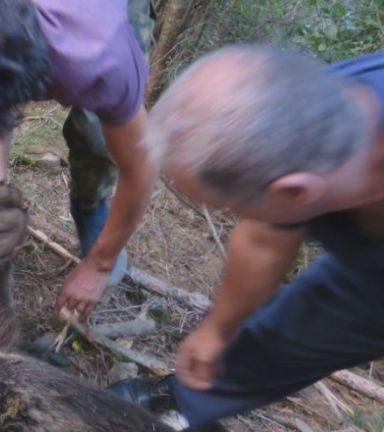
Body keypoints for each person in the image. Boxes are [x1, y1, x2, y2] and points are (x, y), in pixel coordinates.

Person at [109, 45, 384, 429]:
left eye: (230, 210)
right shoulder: (316, 108)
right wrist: (218, 330)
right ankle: (182, 404)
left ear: (296, 193)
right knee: (291, 330)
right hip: (360, 263)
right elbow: (264, 239)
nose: (236, 218)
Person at [0, 0, 157, 321]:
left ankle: (90, 206)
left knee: (95, 138)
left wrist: (99, 264)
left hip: (96, 20)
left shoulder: (104, 57)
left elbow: (141, 168)